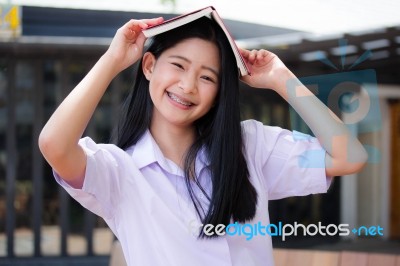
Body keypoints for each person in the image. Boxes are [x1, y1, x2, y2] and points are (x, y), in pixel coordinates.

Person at [39, 15, 367, 266]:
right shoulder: (118, 170)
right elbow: (54, 145)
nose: (188, 85)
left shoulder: (250, 145)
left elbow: (348, 156)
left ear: (219, 92)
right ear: (150, 66)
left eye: (207, 77)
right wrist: (112, 60)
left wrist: (281, 78)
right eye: (178, 66)